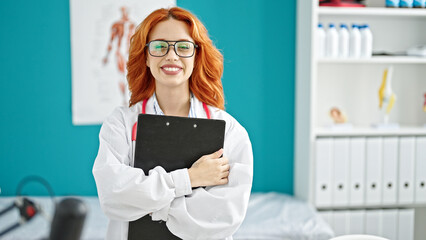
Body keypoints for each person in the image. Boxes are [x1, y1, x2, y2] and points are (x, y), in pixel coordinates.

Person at [93, 7, 253, 240]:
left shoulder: (229, 131)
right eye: (159, 46)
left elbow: (224, 216)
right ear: (146, 57)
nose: (171, 56)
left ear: (196, 55)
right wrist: (190, 178)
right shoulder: (121, 123)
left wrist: (147, 201)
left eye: (183, 47)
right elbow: (112, 196)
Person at [102, 6, 136, 105]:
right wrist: (106, 56)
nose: (125, 13)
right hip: (120, 53)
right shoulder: (117, 25)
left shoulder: (132, 24)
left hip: (130, 52)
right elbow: (111, 41)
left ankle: (129, 99)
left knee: (129, 76)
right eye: (123, 11)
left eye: (127, 11)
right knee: (121, 76)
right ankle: (124, 100)